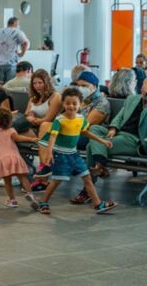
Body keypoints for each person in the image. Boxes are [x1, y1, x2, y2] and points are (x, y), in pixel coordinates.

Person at [34, 87, 117, 215]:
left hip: (74, 154)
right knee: (56, 180)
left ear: (80, 104)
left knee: (87, 178)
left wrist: (102, 141)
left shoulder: (81, 119)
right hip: (61, 155)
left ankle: (98, 204)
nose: (71, 106)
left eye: (74, 103)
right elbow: (53, 136)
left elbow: (85, 132)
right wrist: (49, 152)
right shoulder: (59, 120)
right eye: (68, 103)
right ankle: (43, 202)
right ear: (63, 104)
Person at [84, 71, 147, 183]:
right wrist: (113, 128)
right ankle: (99, 166)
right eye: (144, 85)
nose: (142, 90)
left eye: (146, 88)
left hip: (136, 141)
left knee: (90, 147)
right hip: (119, 134)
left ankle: (90, 184)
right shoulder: (132, 99)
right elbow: (119, 116)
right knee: (94, 129)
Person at [0, 108, 35, 207]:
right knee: (23, 177)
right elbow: (18, 138)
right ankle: (30, 194)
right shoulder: (11, 130)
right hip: (14, 158)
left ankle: (12, 200)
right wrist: (31, 139)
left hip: (2, 160)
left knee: (7, 182)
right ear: (10, 121)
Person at [0, 16, 29, 83]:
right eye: (18, 24)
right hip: (11, 63)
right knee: (9, 85)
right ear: (15, 23)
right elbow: (25, 43)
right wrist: (22, 53)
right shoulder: (17, 32)